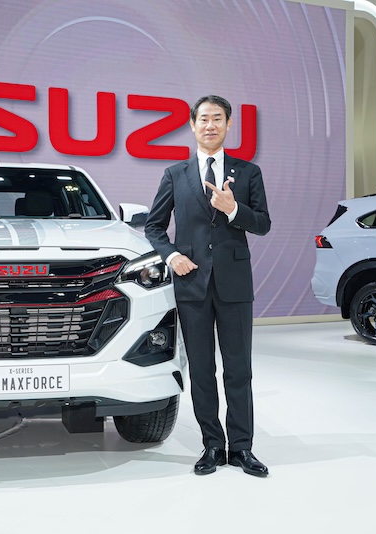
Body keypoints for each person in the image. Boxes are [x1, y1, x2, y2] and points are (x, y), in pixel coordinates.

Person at [145, 95, 271, 477]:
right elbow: (154, 227)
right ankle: (212, 445)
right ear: (192, 125)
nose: (210, 125)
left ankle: (242, 448)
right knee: (201, 370)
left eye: (218, 118)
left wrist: (233, 209)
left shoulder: (248, 172)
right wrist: (172, 256)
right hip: (191, 284)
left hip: (235, 284)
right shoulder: (175, 174)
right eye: (204, 119)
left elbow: (263, 224)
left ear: (229, 124)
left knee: (239, 369)